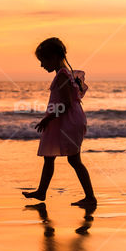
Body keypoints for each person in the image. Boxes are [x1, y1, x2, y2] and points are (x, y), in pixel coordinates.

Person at [22, 37, 97, 207]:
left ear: (55, 57)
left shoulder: (62, 75)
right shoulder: (62, 74)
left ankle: (90, 197)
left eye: (43, 61)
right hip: (64, 119)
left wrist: (47, 118)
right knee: (49, 157)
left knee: (74, 160)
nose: (42, 66)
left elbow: (66, 103)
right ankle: (42, 192)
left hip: (67, 120)